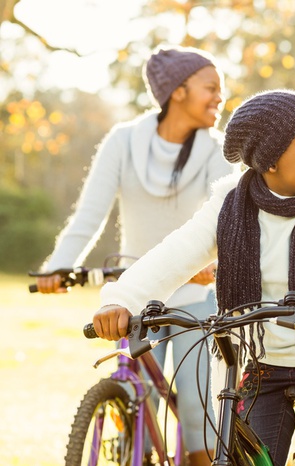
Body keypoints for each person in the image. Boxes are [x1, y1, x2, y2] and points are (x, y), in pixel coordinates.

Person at [91, 89, 295, 466]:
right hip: (260, 363)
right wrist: (122, 300)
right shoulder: (229, 204)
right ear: (270, 161)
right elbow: (175, 253)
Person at [34, 45, 234, 465]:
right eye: (210, 87)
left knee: (199, 412)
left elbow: (224, 220)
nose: (221, 96)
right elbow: (89, 215)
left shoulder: (219, 150)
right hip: (135, 295)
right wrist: (57, 267)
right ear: (178, 91)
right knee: (135, 401)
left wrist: (214, 265)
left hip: (197, 296)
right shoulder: (123, 141)